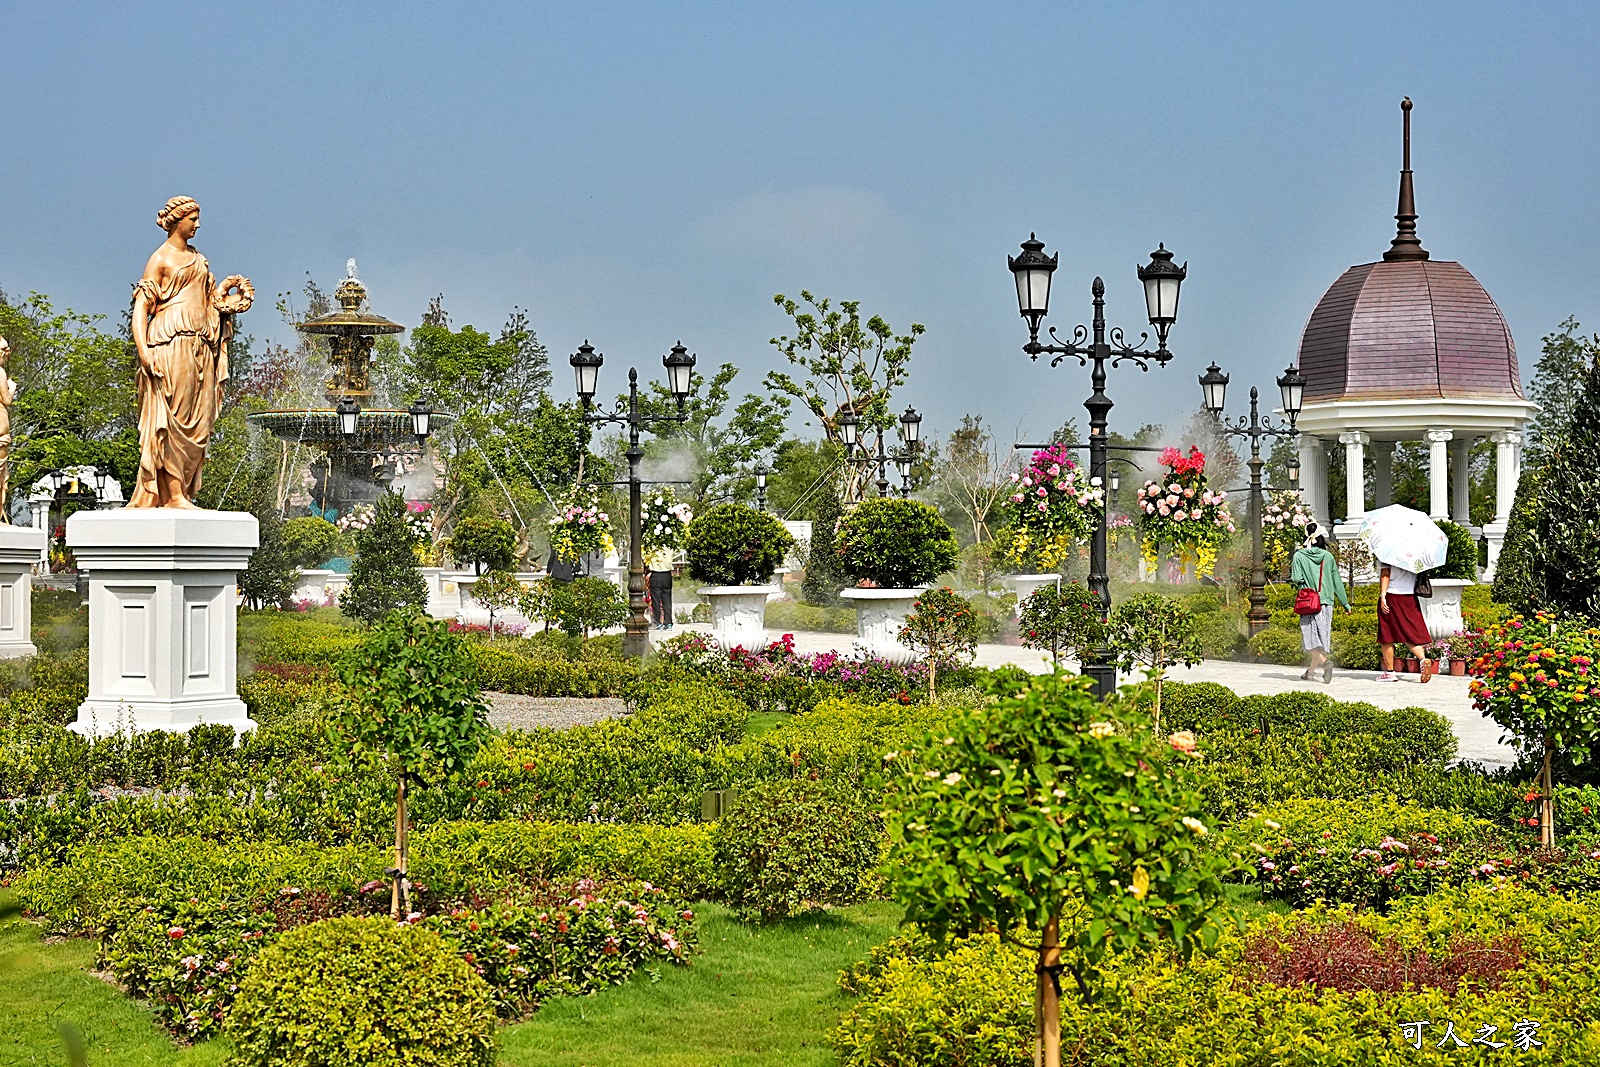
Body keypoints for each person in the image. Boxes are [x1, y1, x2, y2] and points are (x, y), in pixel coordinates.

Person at [129, 196, 252, 508]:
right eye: (192, 219)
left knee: (200, 420)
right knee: (174, 418)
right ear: (177, 220)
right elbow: (141, 308)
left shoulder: (200, 259)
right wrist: (143, 350)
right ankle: (173, 494)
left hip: (201, 345)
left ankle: (182, 490)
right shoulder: (160, 259)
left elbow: (208, 300)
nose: (197, 225)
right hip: (171, 343)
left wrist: (225, 302)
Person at [1290, 523, 1350, 683]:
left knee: (1310, 640)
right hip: (1327, 602)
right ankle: (1310, 673)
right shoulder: (1328, 557)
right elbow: (1337, 581)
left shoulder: (1299, 556)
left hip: (1309, 602)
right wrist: (1345, 603)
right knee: (1319, 639)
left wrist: (1304, 583)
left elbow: (1296, 578)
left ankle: (1325, 664)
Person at [1377, 560, 1433, 682]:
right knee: (1409, 633)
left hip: (1392, 596)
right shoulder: (1414, 555)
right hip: (1410, 597)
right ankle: (1423, 660)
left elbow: (1385, 574)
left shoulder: (1388, 554)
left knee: (1387, 635)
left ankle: (1390, 672)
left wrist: (1383, 596)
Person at [646, 545, 674, 629]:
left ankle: (657, 622)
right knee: (667, 600)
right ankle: (668, 622)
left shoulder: (652, 547)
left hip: (656, 574)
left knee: (656, 600)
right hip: (667, 575)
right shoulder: (669, 547)